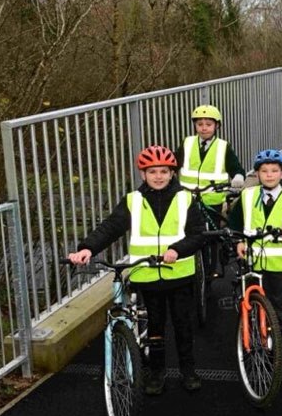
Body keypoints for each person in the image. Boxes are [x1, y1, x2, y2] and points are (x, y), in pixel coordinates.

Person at [67, 146, 205, 394]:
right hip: (148, 275)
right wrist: (88, 248)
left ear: (172, 173)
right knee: (155, 327)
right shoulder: (134, 200)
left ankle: (188, 370)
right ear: (143, 174)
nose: (159, 176)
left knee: (183, 325)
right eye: (153, 172)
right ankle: (156, 373)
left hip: (179, 275)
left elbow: (198, 235)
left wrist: (177, 250)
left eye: (164, 171)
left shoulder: (185, 198)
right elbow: (111, 227)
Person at [227, 149, 282, 363]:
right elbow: (234, 224)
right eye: (264, 171)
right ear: (258, 174)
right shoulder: (248, 196)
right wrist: (238, 242)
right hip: (254, 261)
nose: (269, 175)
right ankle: (256, 339)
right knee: (254, 303)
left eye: (274, 171)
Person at [176, 104, 246, 207]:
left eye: (208, 125)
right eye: (200, 124)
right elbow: (174, 163)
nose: (204, 128)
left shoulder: (223, 146)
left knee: (213, 222)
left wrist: (238, 177)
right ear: (195, 125)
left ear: (216, 126)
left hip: (213, 200)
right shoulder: (187, 143)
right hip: (187, 199)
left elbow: (236, 168)